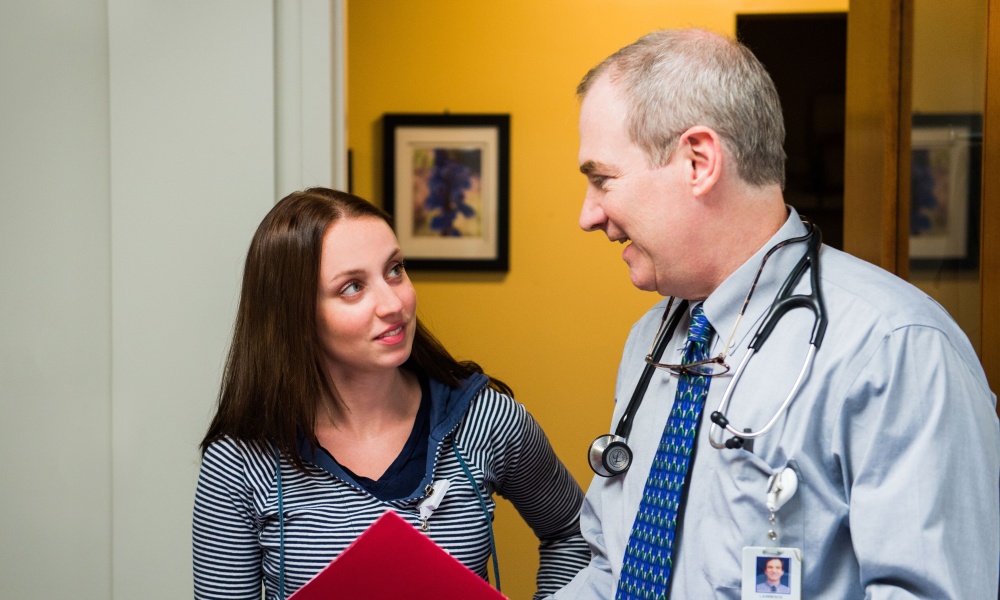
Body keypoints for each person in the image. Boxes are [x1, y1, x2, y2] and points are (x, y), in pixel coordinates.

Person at [553, 29, 1000, 599]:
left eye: (602, 179)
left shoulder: (895, 347)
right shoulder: (653, 341)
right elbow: (611, 572)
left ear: (698, 161)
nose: (588, 216)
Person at [193, 187, 590, 599]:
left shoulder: (487, 418)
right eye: (352, 287)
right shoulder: (238, 462)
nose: (393, 304)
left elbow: (574, 532)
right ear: (294, 315)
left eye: (395, 270)